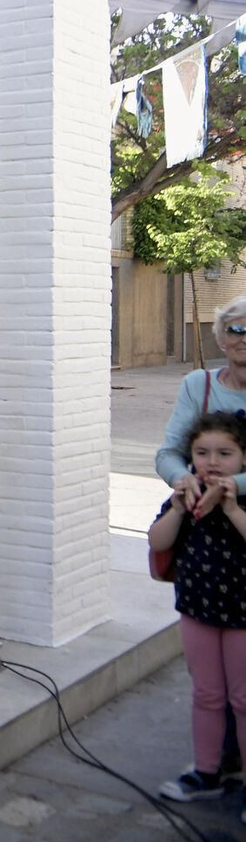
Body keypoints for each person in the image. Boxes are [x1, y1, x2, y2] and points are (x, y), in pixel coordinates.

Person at [156, 296, 246, 787]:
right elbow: (170, 452)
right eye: (235, 329)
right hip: (204, 549)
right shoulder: (201, 386)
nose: (243, 340)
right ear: (219, 337)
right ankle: (212, 768)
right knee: (210, 687)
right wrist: (182, 482)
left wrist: (232, 489)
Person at [149, 411, 246, 817]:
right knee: (206, 694)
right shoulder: (187, 498)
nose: (212, 462)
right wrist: (176, 508)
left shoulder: (239, 499)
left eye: (225, 453)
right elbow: (158, 540)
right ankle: (206, 771)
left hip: (242, 615)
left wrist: (231, 508)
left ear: (243, 459)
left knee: (243, 699)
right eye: (202, 452)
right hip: (197, 609)